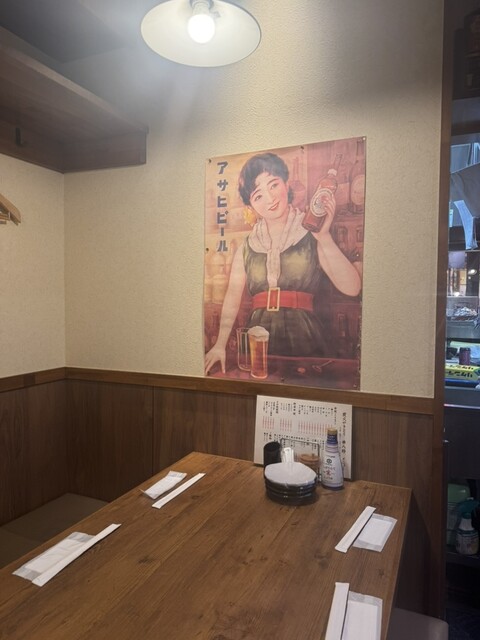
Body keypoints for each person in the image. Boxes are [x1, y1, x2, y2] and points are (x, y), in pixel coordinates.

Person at [204, 152, 361, 374]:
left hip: (305, 338)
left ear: (287, 185)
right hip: (257, 340)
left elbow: (352, 288)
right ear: (251, 205)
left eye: (274, 185)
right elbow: (231, 299)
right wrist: (220, 344)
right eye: (258, 196)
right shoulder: (247, 246)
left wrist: (324, 237)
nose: (270, 199)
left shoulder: (311, 232)